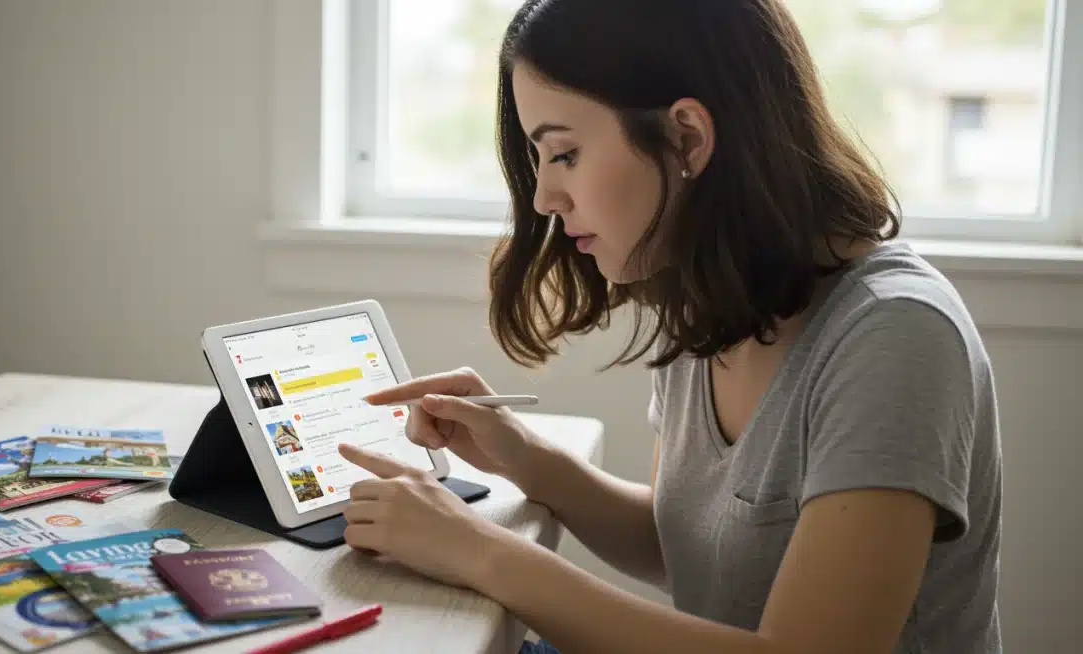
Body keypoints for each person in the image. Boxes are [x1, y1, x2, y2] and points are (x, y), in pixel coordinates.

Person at [336, 1, 1002, 652]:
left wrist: (480, 552)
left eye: (563, 154)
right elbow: (688, 543)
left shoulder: (895, 336)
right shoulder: (716, 298)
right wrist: (526, 458)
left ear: (686, 136)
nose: (543, 197)